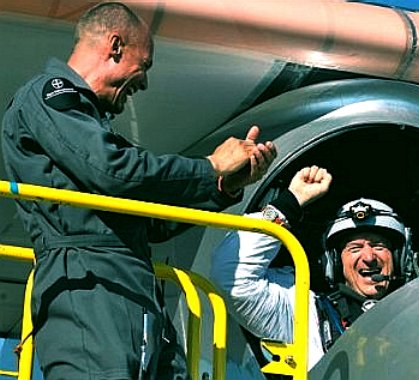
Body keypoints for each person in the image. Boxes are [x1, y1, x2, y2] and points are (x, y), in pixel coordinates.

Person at [2, 2, 276, 380]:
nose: (144, 83)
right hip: (89, 287)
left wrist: (222, 186)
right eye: (144, 65)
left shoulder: (96, 130)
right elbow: (113, 171)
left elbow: (148, 219)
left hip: (134, 291)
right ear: (116, 46)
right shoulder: (49, 96)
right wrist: (210, 165)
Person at [211, 162, 419, 371]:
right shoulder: (304, 315)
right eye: (355, 247)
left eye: (379, 245)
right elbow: (234, 275)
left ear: (401, 257)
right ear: (334, 263)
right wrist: (289, 204)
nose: (368, 256)